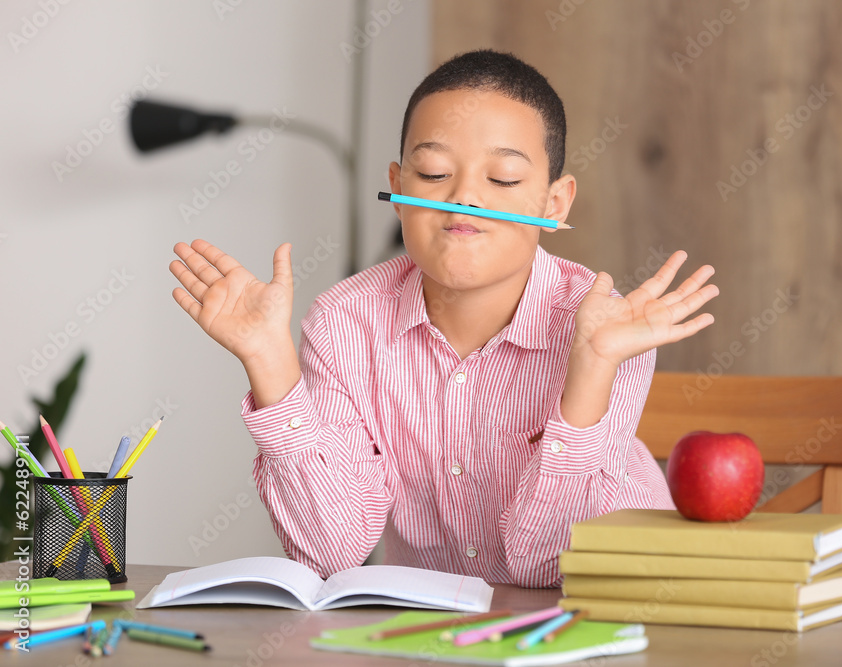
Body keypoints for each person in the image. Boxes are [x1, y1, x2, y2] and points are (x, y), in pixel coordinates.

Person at [169, 49, 718, 587]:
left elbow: (545, 567)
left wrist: (592, 367)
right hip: (437, 634)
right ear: (400, 187)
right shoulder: (345, 321)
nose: (464, 199)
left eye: (502, 180)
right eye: (433, 173)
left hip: (616, 611)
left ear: (555, 205)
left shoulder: (608, 329)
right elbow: (332, 552)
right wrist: (270, 362)